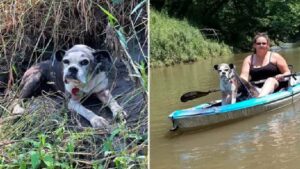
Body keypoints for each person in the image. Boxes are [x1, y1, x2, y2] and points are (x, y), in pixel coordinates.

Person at [240, 32, 291, 97]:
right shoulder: (248, 59)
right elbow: (244, 76)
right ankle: (227, 105)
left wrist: (282, 75)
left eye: (264, 43)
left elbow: (287, 72)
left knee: (270, 80)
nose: (261, 45)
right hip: (256, 89)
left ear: (268, 45)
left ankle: (259, 100)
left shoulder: (276, 56)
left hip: (276, 85)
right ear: (254, 45)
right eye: (258, 43)